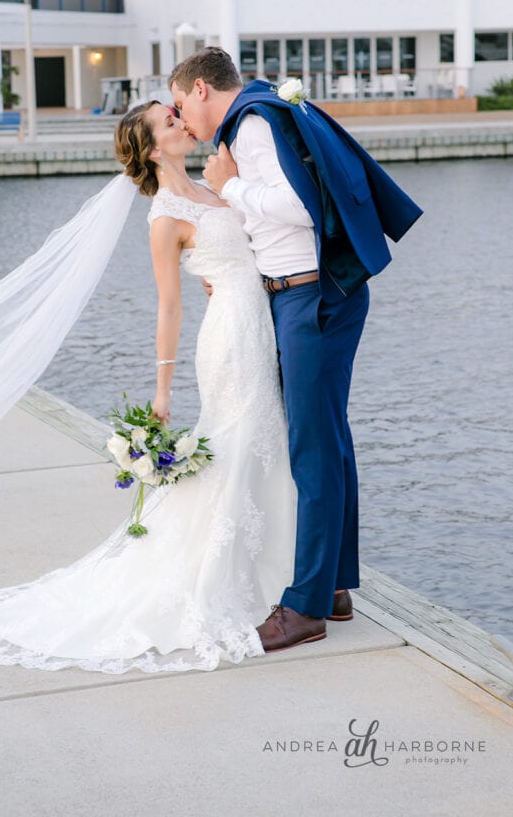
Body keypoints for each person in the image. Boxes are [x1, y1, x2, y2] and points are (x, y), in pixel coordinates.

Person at [0, 100, 315, 675]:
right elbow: (168, 307)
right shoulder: (165, 216)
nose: (183, 122)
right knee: (239, 440)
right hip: (231, 338)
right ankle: (230, 576)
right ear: (155, 148)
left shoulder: (215, 183)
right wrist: (161, 392)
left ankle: (280, 568)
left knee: (266, 441)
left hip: (262, 319)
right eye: (169, 122)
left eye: (177, 114)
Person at [169, 46, 422, 653]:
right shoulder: (258, 115)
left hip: (313, 301)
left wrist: (232, 189)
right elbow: (285, 219)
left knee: (311, 445)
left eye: (181, 105)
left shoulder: (253, 125)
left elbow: (299, 207)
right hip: (306, 294)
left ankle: (303, 607)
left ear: (201, 89)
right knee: (326, 438)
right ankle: (332, 585)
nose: (185, 120)